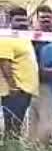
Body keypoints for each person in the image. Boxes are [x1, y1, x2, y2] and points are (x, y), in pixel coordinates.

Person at [0, 9, 39, 138]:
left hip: (26, 89)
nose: (22, 23)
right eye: (18, 20)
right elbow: (4, 63)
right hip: (15, 91)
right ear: (10, 21)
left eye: (24, 19)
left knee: (17, 126)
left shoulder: (25, 37)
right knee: (12, 128)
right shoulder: (7, 38)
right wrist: (13, 86)